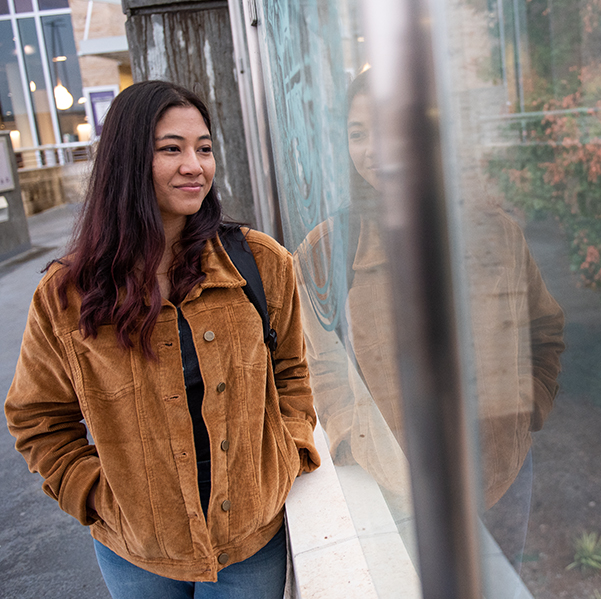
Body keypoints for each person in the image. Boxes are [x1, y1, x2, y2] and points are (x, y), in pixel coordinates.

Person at [4, 80, 320, 599]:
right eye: (171, 149)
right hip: (136, 552)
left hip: (250, 540)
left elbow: (291, 372)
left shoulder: (260, 263)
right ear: (127, 162)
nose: (195, 165)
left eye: (204, 148)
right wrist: (97, 496)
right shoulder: (66, 293)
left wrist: (289, 453)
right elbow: (38, 418)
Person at [295, 68, 564, 565]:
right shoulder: (325, 251)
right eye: (358, 134)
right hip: (400, 495)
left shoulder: (493, 232)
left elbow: (542, 330)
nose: (374, 150)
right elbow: (320, 366)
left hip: (502, 480)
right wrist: (357, 442)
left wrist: (528, 409)